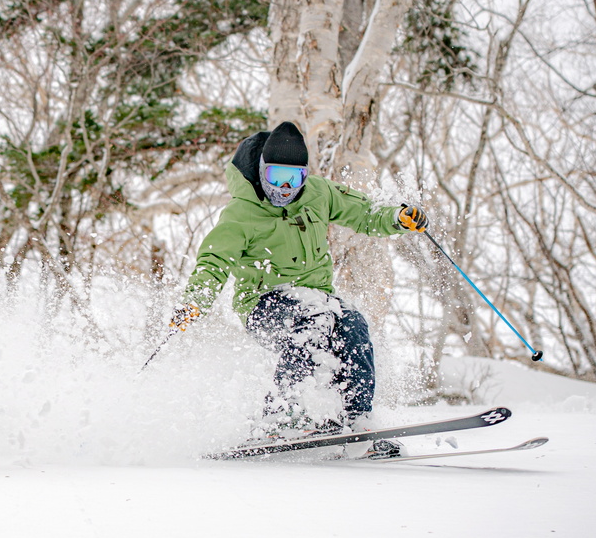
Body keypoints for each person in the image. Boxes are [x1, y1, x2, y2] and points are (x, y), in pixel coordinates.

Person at [168, 121, 428, 449]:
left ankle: (355, 420)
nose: (286, 187)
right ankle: (280, 415)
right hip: (262, 304)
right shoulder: (241, 214)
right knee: (315, 320)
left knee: (352, 323)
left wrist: (396, 218)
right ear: (263, 171)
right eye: (278, 177)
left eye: (295, 178)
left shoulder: (318, 194)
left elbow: (363, 213)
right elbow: (213, 262)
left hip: (318, 298)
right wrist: (196, 301)